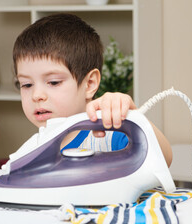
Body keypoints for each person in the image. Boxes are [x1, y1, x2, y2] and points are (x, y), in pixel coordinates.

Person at [13, 13, 172, 166]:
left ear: (89, 84)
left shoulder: (109, 134)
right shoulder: (33, 150)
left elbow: (164, 159)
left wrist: (134, 119)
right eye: (27, 84)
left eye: (53, 82)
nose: (37, 95)